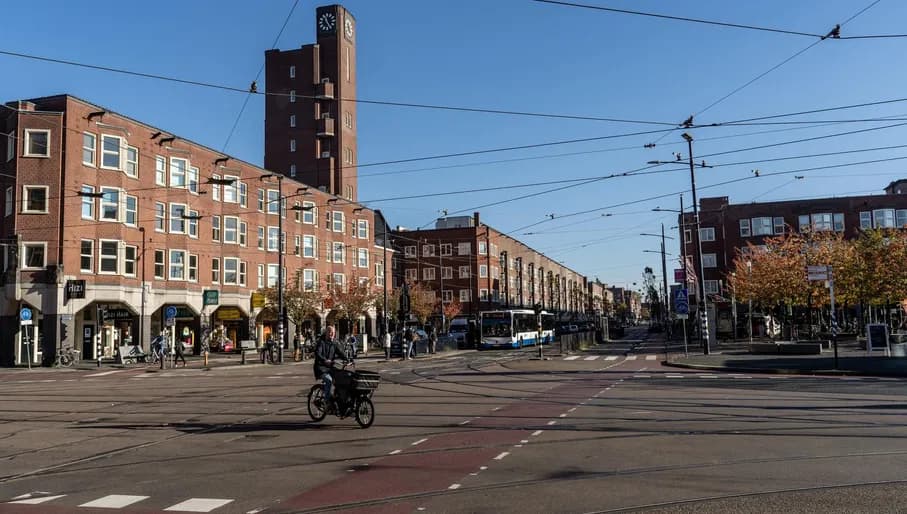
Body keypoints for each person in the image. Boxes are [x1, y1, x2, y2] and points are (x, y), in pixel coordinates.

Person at [314, 326, 347, 412]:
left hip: (330, 367)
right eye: (330, 332)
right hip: (320, 368)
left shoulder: (334, 343)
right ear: (326, 333)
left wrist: (348, 359)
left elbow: (340, 352)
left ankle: (337, 398)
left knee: (341, 378)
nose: (332, 334)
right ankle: (326, 402)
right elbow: (318, 353)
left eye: (333, 332)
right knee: (329, 380)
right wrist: (325, 360)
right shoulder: (321, 342)